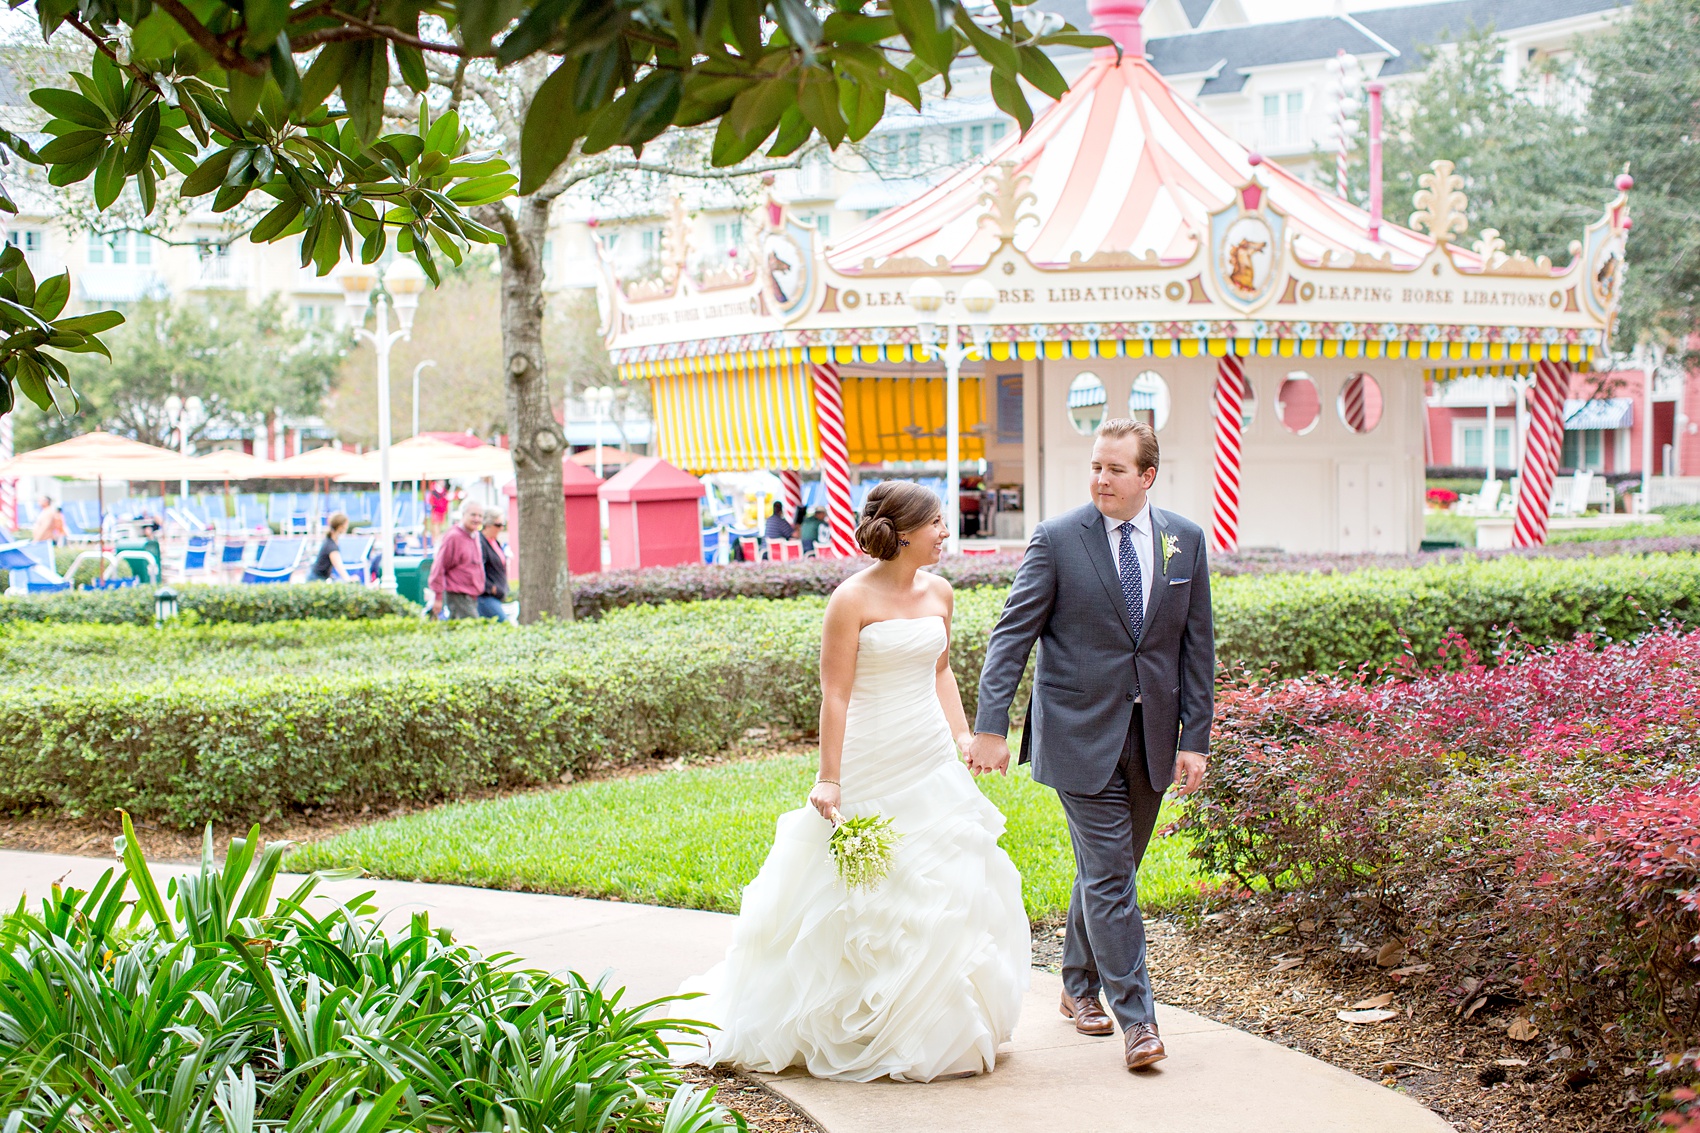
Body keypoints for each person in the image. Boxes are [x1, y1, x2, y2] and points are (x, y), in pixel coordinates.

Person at [676, 481, 1028, 1082]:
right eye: (938, 523)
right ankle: (854, 1018)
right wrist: (829, 778)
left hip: (928, 755)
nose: (947, 533)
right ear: (906, 531)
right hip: (871, 754)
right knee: (863, 892)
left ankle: (937, 1021)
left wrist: (963, 737)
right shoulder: (850, 600)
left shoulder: (941, 592)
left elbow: (941, 670)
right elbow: (834, 694)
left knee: (945, 882)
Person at [967, 418, 1215, 1073]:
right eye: (1096, 466)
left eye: (1115, 469)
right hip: (1078, 734)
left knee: (1112, 874)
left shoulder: (1184, 542)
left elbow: (1197, 648)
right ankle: (1139, 1021)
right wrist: (991, 726)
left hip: (1153, 738)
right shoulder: (1057, 540)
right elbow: (1010, 637)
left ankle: (1077, 983)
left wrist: (1197, 738)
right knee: (1110, 876)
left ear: (1147, 477)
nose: (1100, 478)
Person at [428, 501, 485, 619]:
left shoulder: (475, 535)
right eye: (473, 515)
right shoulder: (454, 536)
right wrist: (438, 597)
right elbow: (439, 566)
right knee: (471, 631)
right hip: (458, 595)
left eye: (480, 516)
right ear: (463, 515)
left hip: (472, 596)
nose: (477, 519)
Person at [477, 510, 509, 621]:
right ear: (487, 524)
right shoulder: (480, 543)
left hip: (496, 596)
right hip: (485, 597)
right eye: (498, 525)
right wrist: (492, 588)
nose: (501, 528)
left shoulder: (495, 542)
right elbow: (477, 571)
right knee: (505, 625)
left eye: (503, 525)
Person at [307, 513, 350, 581]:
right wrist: (348, 579)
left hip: (318, 577)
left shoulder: (330, 541)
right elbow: (339, 566)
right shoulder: (331, 546)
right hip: (316, 580)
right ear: (340, 527)